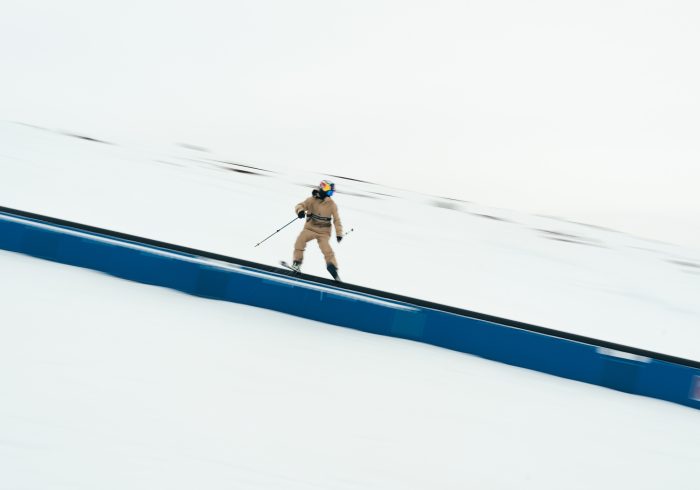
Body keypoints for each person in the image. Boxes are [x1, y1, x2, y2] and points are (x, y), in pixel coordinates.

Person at [291, 180, 343, 281]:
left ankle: (333, 268)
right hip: (310, 228)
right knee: (300, 241)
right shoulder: (311, 200)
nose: (330, 195)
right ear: (323, 189)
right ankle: (296, 263)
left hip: (324, 232)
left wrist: (339, 233)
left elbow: (337, 220)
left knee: (326, 249)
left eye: (332, 193)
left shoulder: (332, 204)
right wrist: (300, 211)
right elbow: (299, 205)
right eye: (329, 192)